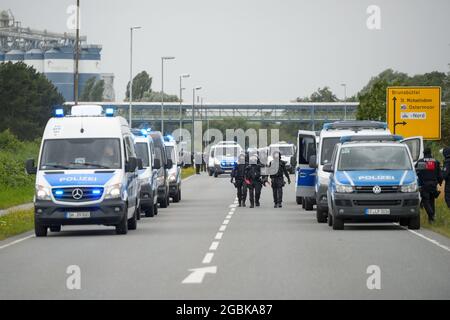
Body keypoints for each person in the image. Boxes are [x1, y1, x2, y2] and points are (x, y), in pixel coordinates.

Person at [416, 147, 443, 223]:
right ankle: (431, 219)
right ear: (430, 153)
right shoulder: (436, 162)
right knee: (432, 201)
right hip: (433, 184)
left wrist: (418, 183)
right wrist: (440, 182)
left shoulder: (421, 162)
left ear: (424, 153)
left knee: (425, 201)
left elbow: (418, 173)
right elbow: (439, 175)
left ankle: (431, 215)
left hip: (424, 184)